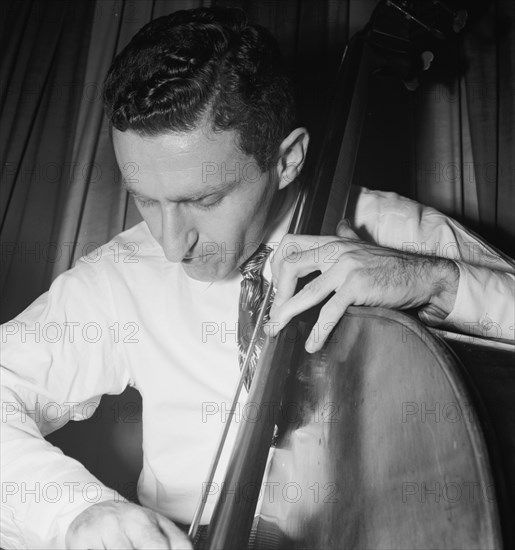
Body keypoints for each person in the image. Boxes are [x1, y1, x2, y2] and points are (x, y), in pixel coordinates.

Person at [1, 7, 513, 550]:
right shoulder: (122, 276)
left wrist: (437, 282)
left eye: (203, 200)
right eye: (145, 200)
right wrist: (76, 513)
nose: (173, 244)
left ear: (288, 159)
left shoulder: (392, 233)